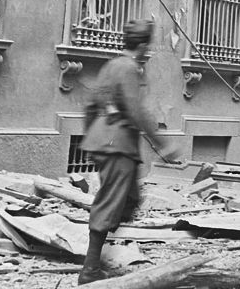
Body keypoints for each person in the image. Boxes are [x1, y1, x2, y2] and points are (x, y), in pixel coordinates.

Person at [78, 18, 181, 285]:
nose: (149, 51)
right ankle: (90, 269)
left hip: (107, 142)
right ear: (143, 46)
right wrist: (163, 144)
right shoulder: (129, 68)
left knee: (131, 199)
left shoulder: (112, 65)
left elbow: (91, 105)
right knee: (110, 203)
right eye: (148, 46)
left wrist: (93, 137)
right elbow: (136, 111)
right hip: (118, 145)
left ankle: (100, 252)